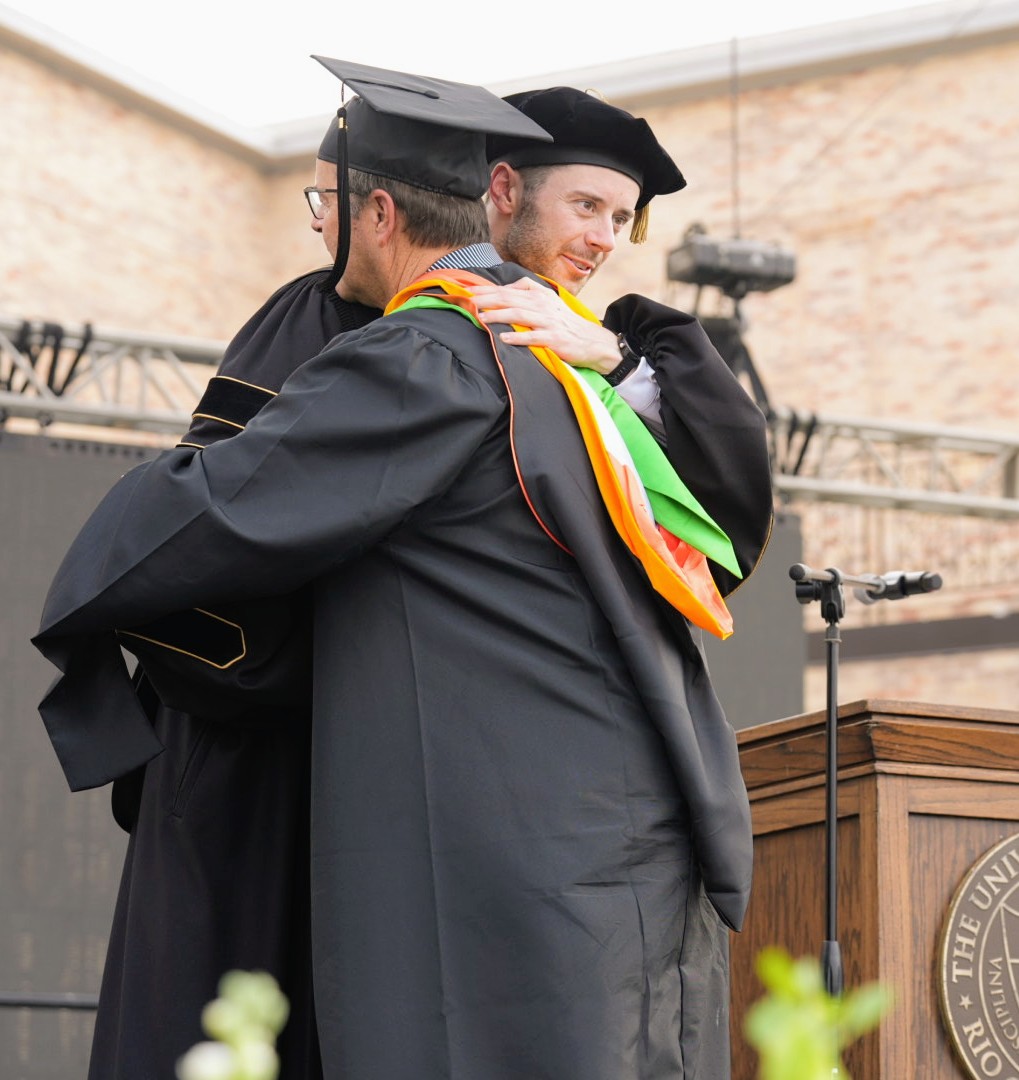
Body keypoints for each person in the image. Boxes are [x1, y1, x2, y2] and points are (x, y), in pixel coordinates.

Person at [35, 58, 755, 1079]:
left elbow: (214, 511)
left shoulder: (436, 349)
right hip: (618, 819)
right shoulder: (562, 360)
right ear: (488, 198)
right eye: (584, 205)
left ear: (374, 211)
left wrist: (90, 583)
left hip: (501, 822)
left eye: (329, 206)